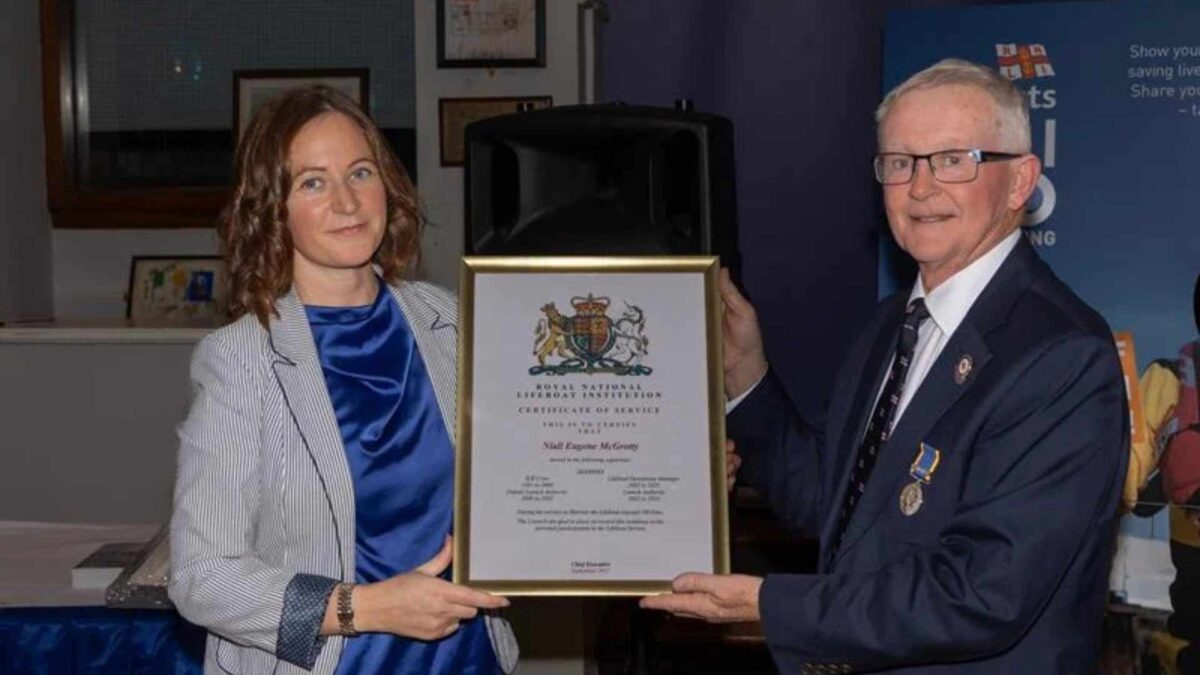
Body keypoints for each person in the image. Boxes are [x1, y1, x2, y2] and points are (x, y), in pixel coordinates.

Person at [641, 58, 1129, 673]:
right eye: (899, 163)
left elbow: (981, 592)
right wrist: (747, 378)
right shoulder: (887, 326)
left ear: (1019, 182)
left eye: (953, 159)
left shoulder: (1061, 355)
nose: (921, 188)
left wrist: (773, 604)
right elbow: (840, 507)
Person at [168, 86, 517, 675]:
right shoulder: (240, 359)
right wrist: (370, 607)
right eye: (312, 182)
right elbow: (203, 575)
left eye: (360, 172)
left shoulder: (453, 319)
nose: (348, 202)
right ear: (272, 208)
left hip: (469, 659)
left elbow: (528, 465)